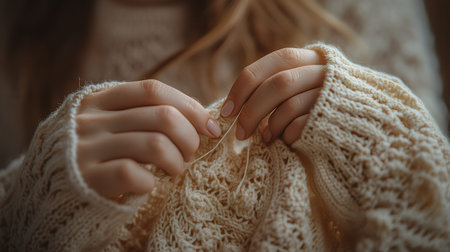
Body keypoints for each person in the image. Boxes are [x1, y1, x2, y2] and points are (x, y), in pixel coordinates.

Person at [0, 0, 448, 251]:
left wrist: (377, 130)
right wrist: (35, 206)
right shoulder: (13, 30)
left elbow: (434, 215)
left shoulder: (368, 10)